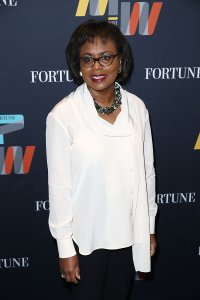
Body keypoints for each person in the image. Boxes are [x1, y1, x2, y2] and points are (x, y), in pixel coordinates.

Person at [46, 19, 157, 300]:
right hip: (86, 240)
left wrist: (149, 229)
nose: (97, 67)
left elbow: (147, 174)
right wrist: (65, 249)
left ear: (120, 61)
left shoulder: (138, 108)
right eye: (88, 59)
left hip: (129, 234)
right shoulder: (63, 116)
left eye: (106, 57)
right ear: (78, 65)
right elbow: (60, 189)